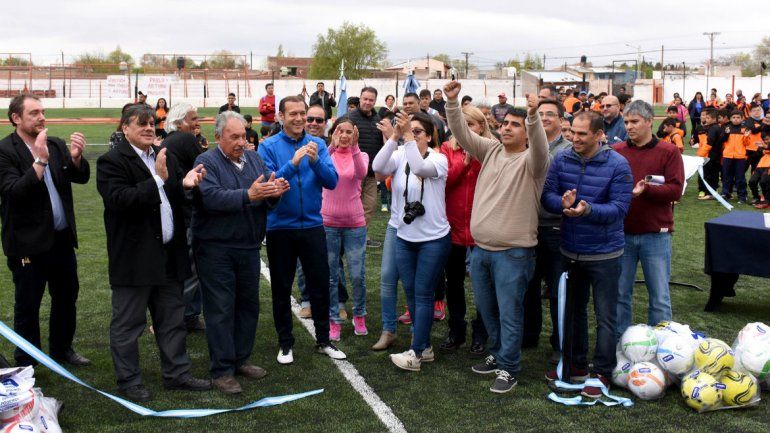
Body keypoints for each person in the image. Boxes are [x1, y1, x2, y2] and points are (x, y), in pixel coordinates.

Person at [96, 104, 211, 402]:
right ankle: (129, 381)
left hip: (168, 256)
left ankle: (177, 374)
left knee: (172, 320)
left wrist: (183, 184)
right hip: (134, 260)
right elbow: (120, 200)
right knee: (128, 325)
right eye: (141, 124)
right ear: (125, 128)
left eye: (151, 123)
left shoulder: (162, 156)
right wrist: (158, 180)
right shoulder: (111, 161)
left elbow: (171, 199)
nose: (149, 128)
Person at [445, 81, 549, 394]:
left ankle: (509, 368)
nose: (507, 129)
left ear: (525, 131)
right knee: (488, 312)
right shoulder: (489, 150)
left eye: (515, 125)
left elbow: (541, 147)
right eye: (504, 123)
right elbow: (462, 133)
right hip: (480, 251)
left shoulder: (533, 162)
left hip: (513, 254)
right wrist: (452, 102)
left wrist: (532, 117)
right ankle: (499, 353)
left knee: (510, 314)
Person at [192, 111, 289, 394]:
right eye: (233, 137)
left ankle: (240, 359)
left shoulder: (254, 159)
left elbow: (261, 200)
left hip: (248, 246)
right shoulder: (205, 162)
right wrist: (250, 195)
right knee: (220, 309)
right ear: (218, 137)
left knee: (248, 307)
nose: (241, 141)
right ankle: (222, 370)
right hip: (215, 249)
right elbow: (209, 199)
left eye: (243, 135)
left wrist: (273, 194)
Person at [541, 110, 633, 399]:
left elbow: (620, 210)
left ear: (598, 134)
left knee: (605, 316)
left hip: (605, 254)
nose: (574, 138)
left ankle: (602, 372)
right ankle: (576, 365)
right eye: (572, 132)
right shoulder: (562, 159)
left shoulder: (618, 165)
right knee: (573, 312)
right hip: (570, 250)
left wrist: (587, 209)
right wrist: (562, 204)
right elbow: (547, 195)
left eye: (581, 134)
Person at [0, 94, 91, 367]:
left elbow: (80, 177)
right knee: (28, 304)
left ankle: (62, 349)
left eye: (42, 111)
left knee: (66, 297)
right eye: (34, 113)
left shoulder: (55, 143)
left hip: (61, 239)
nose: (41, 117)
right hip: (28, 243)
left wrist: (75, 159)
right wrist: (39, 162)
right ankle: (27, 359)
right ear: (16, 118)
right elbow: (13, 192)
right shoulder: (5, 150)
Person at [258, 95, 346, 364]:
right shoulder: (268, 146)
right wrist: (294, 163)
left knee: (320, 285)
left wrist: (316, 160)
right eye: (293, 114)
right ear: (281, 117)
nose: (299, 119)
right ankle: (285, 344)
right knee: (282, 288)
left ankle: (323, 340)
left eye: (302, 114)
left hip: (313, 226)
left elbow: (332, 182)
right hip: (279, 228)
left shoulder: (318, 143)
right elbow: (270, 185)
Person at [373, 111, 451, 373]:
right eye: (411, 130)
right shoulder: (400, 154)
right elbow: (377, 168)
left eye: (419, 132)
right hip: (405, 238)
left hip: (433, 239)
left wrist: (406, 137)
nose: (413, 135)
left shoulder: (439, 159)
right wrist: (394, 136)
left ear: (429, 137)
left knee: (423, 293)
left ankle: (416, 354)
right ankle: (425, 346)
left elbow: (420, 168)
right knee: (411, 293)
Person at [613, 100, 684, 338]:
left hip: (656, 234)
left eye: (634, 121)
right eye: (626, 122)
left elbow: (676, 190)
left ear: (649, 121)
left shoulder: (669, 151)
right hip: (622, 234)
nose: (629, 126)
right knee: (620, 294)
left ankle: (664, 349)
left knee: (660, 296)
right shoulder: (617, 151)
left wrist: (648, 190)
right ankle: (621, 345)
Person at [522, 99, 571, 363]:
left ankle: (559, 343)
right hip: (527, 225)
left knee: (556, 289)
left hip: (554, 226)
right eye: (540, 114)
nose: (545, 118)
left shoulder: (569, 150)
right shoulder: (527, 145)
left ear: (562, 120)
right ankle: (529, 335)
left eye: (550, 114)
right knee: (528, 285)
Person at [438, 105, 490, 355]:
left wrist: (476, 159)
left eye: (472, 125)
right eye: (464, 124)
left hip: (483, 227)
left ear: (481, 127)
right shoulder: (448, 149)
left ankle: (481, 333)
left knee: (482, 286)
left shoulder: (491, 149)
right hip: (453, 225)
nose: (468, 130)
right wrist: (465, 163)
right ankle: (456, 330)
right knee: (454, 284)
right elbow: (443, 183)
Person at [161, 103, 206, 332]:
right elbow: (207, 165)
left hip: (177, 214)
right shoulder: (184, 139)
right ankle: (175, 318)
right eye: (193, 119)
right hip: (187, 214)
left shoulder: (169, 141)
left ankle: (188, 317)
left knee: (189, 269)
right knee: (191, 271)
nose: (197, 123)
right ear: (179, 123)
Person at [323, 118, 369, 341]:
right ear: (334, 132)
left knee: (358, 275)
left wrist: (355, 147)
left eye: (348, 132)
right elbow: (319, 167)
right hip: (328, 223)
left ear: (354, 134)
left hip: (355, 225)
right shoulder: (326, 152)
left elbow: (361, 173)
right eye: (339, 131)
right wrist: (331, 145)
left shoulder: (361, 155)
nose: (343, 135)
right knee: (331, 276)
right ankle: (334, 320)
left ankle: (359, 315)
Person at [342, 87, 383, 246]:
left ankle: (360, 235)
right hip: (353, 172)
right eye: (365, 99)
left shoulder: (378, 120)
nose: (367, 102)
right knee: (351, 206)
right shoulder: (349, 118)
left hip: (371, 173)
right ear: (360, 99)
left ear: (374, 101)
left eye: (371, 100)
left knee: (370, 206)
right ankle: (348, 235)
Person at [720, 110, 750, 203]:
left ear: (742, 118)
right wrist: (726, 134)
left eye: (738, 118)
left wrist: (746, 136)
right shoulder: (727, 127)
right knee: (726, 176)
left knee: (740, 177)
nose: (736, 119)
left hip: (740, 156)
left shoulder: (745, 129)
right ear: (730, 119)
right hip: (727, 156)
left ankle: (742, 196)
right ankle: (726, 193)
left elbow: (747, 143)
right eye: (734, 117)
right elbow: (722, 140)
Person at [751, 130, 770, 209]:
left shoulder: (764, 146)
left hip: (768, 166)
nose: (768, 141)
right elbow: (756, 153)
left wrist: (765, 149)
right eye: (766, 139)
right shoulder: (761, 146)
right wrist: (762, 149)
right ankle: (756, 197)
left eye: (769, 139)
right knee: (752, 181)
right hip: (760, 166)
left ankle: (767, 201)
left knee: (764, 182)